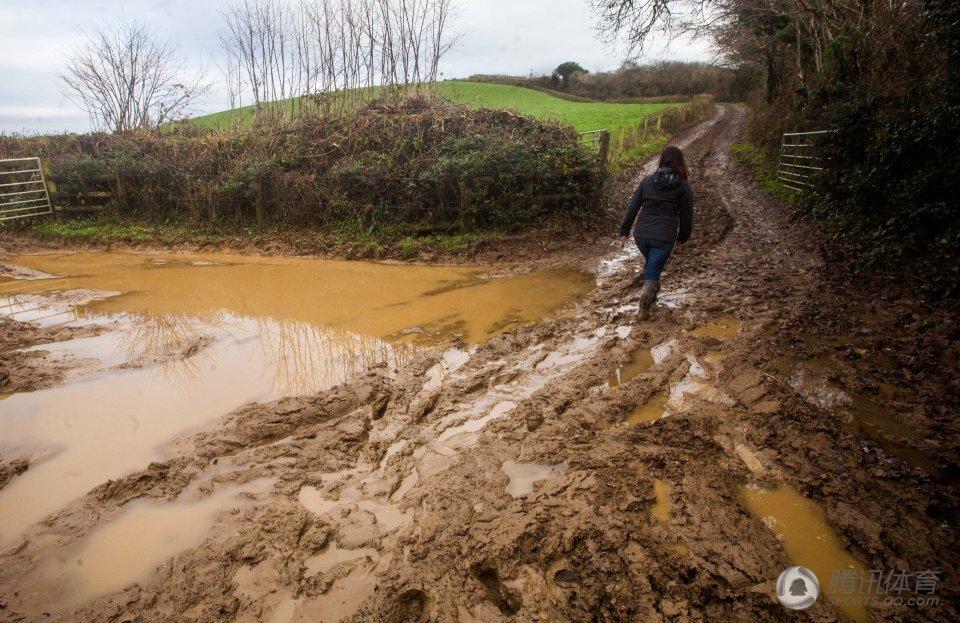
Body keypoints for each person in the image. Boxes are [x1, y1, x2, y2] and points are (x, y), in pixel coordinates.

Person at [618, 146, 694, 320]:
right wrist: (683, 236)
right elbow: (686, 216)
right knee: (652, 269)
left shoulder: (647, 181)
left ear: (661, 161)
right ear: (680, 163)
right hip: (664, 236)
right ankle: (644, 308)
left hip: (641, 235)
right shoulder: (683, 187)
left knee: (652, 263)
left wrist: (625, 229)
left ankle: (653, 290)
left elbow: (633, 206)